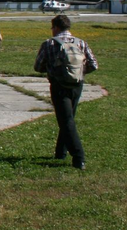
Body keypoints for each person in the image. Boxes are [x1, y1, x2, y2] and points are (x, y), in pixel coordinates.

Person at [34, 14, 98, 170]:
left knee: (66, 120)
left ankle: (79, 157)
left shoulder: (49, 44)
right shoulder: (81, 43)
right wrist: (78, 73)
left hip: (59, 85)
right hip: (77, 84)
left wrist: (52, 70)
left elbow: (38, 66)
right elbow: (93, 64)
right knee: (68, 118)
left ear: (55, 27)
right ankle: (60, 152)